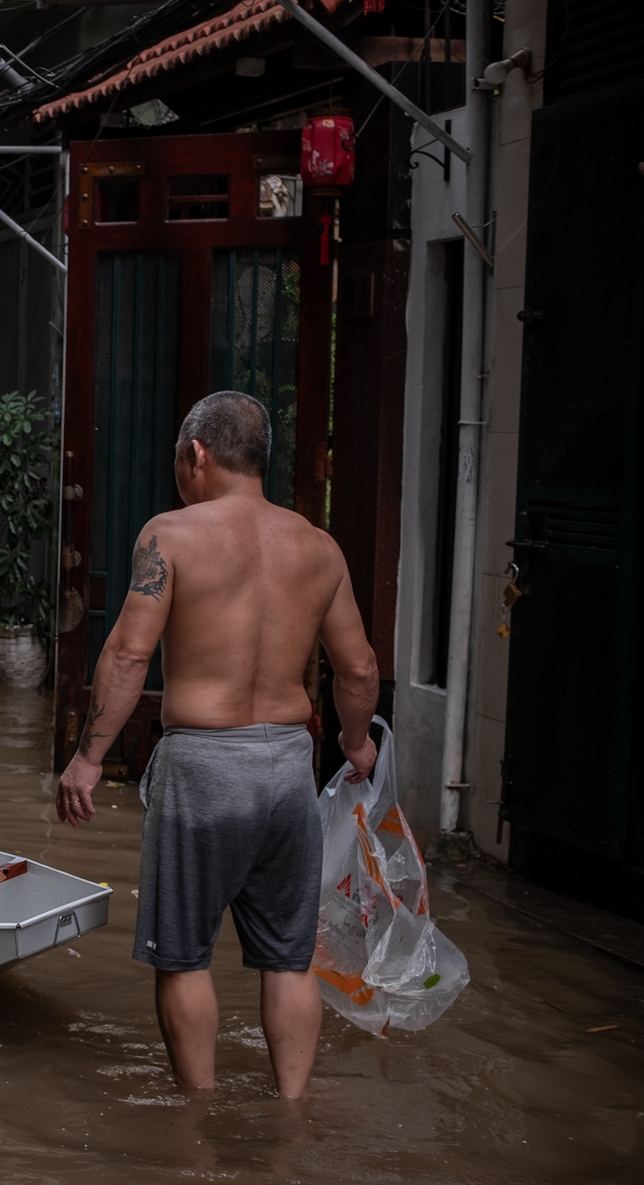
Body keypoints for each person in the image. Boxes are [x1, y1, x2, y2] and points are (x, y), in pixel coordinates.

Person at [55, 390, 380, 1101]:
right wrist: (355, 745)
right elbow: (358, 668)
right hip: (290, 768)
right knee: (289, 960)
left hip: (203, 765)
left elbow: (126, 655)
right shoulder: (319, 547)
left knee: (182, 955)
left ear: (196, 454)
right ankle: (289, 1113)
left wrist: (87, 756)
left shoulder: (169, 536)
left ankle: (196, 1123)